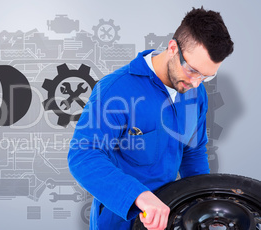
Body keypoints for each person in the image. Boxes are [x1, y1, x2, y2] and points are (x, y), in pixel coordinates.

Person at [68, 7, 234, 230]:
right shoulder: (115, 91)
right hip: (119, 221)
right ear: (173, 48)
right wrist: (138, 195)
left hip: (169, 216)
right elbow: (83, 155)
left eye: (207, 75)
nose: (196, 83)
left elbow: (193, 151)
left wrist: (202, 204)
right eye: (193, 71)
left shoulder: (196, 92)